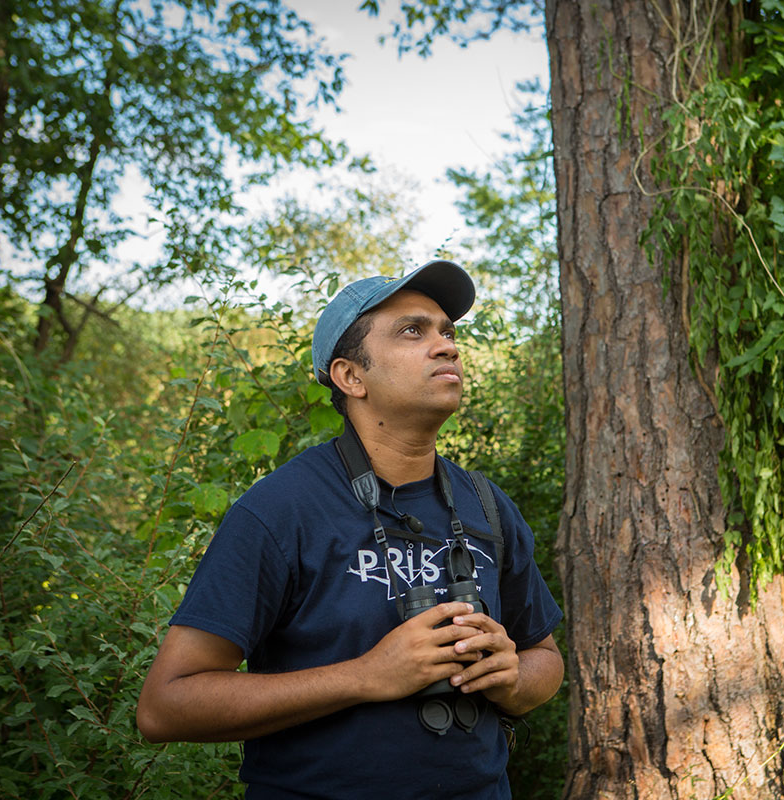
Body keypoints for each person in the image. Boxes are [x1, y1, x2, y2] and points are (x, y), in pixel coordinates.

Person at [136, 260, 564, 800]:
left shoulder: (487, 505)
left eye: (448, 332)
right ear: (350, 376)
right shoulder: (280, 510)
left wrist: (513, 678)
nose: (447, 346)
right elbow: (165, 706)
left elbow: (545, 657)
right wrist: (366, 676)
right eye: (413, 331)